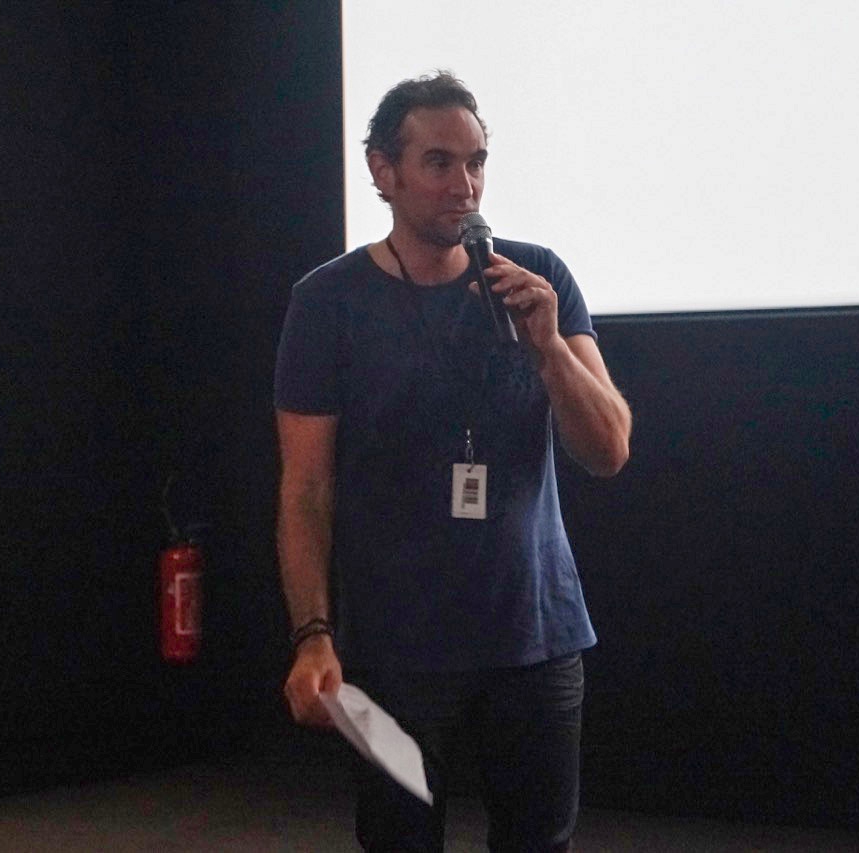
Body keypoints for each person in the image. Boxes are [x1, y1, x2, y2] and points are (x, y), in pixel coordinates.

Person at [273, 71, 631, 852]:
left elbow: (608, 448)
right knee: (398, 839)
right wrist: (313, 634)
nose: (464, 185)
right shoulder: (327, 301)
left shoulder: (537, 277)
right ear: (383, 170)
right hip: (392, 653)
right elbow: (306, 487)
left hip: (535, 636)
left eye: (476, 162)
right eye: (438, 162)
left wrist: (549, 349)